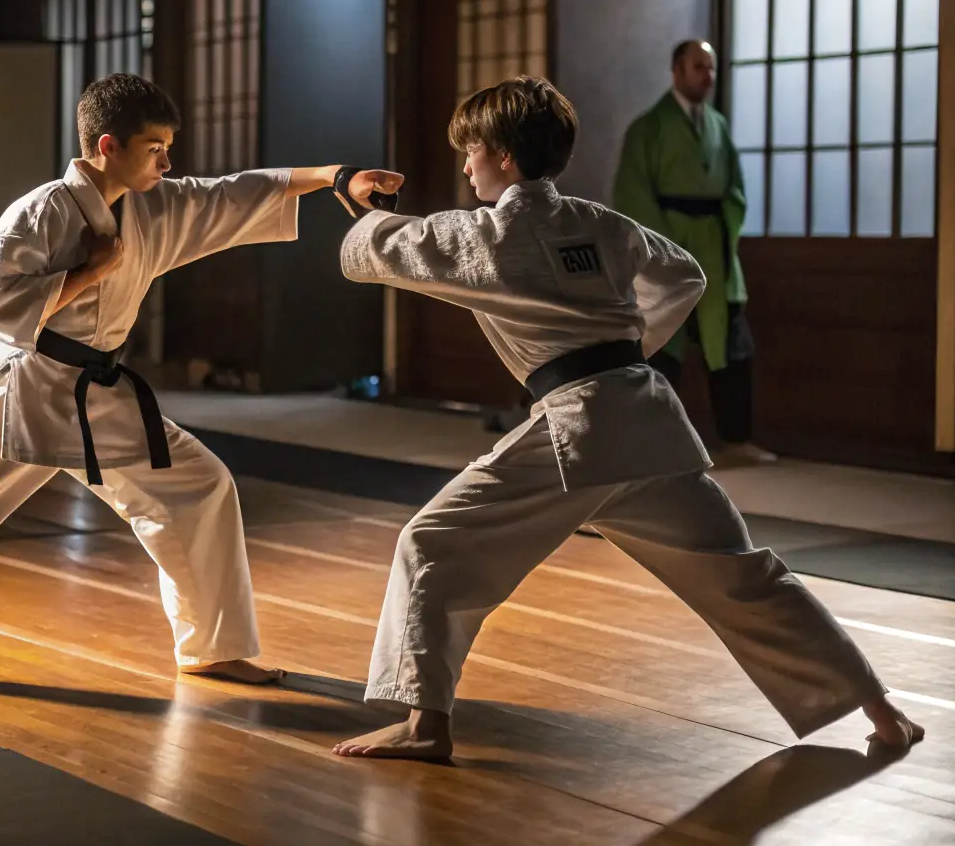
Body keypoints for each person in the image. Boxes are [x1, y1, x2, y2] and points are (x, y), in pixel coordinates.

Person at [331, 77, 922, 762]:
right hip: (648, 422)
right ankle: (884, 714)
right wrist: (626, 343)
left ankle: (424, 726)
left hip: (577, 431)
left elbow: (377, 252)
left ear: (500, 154)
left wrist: (357, 204)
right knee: (744, 577)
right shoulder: (600, 224)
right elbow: (685, 275)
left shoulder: (490, 235)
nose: (465, 166)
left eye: (470, 152)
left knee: (431, 541)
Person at [0, 72, 404, 685]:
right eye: (155, 148)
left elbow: (231, 192)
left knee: (198, 484)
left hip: (96, 391)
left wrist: (334, 177)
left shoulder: (153, 207)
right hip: (22, 391)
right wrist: (86, 274)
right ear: (108, 146)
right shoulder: (44, 210)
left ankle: (211, 647)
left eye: (168, 149)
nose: (167, 161)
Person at [613, 39, 775, 467]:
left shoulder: (718, 126)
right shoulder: (647, 128)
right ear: (677, 71)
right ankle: (660, 444)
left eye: (712, 67)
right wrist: (666, 248)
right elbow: (633, 196)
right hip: (667, 252)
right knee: (663, 348)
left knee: (733, 348)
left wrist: (718, 231)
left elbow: (735, 191)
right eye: (699, 67)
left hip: (716, 254)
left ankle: (736, 439)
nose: (708, 75)